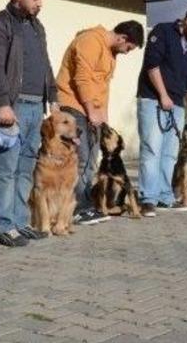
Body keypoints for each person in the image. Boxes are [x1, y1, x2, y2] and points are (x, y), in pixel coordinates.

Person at [0, 0, 58, 247]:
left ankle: (19, 221)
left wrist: (53, 95)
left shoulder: (37, 27)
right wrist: (3, 103)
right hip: (12, 107)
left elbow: (45, 63)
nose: (40, 3)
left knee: (26, 167)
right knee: (6, 168)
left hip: (36, 107)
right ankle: (3, 224)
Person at [56, 21, 145, 225]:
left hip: (91, 111)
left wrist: (103, 116)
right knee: (81, 159)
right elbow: (82, 79)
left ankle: (86, 204)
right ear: (122, 38)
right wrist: (90, 110)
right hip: (74, 106)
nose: (127, 52)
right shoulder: (90, 41)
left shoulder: (110, 53)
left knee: (91, 160)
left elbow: (103, 87)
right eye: (129, 48)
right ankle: (77, 208)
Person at [136, 4, 187, 217]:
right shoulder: (162, 32)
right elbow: (152, 66)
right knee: (152, 149)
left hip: (176, 104)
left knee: (169, 153)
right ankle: (148, 199)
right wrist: (163, 95)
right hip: (153, 100)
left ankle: (164, 196)